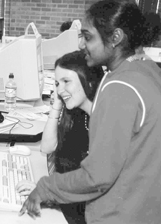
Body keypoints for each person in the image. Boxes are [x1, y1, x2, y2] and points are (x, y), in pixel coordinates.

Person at [18, 1, 161, 223]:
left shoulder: (121, 88)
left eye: (88, 37)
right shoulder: (147, 70)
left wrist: (45, 188)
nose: (81, 44)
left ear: (115, 38)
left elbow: (97, 176)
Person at [17, 50, 104, 224]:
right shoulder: (80, 115)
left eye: (66, 81)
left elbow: (93, 185)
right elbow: (47, 148)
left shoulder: (105, 122)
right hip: (71, 207)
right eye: (57, 83)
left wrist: (48, 193)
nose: (59, 89)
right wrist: (57, 105)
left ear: (88, 80)